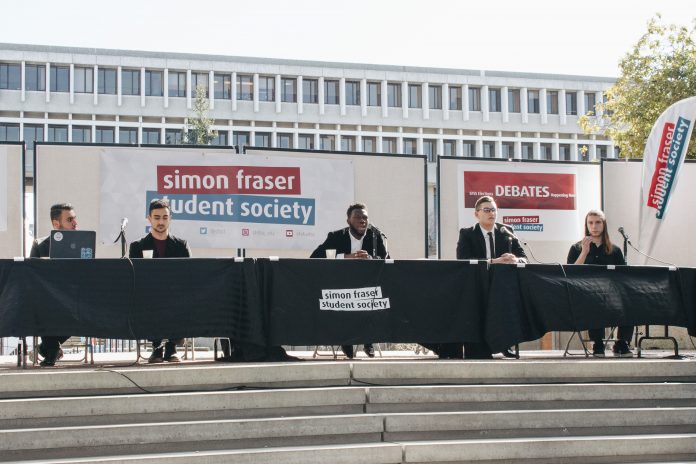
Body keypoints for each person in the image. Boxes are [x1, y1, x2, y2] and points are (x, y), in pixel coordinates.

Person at [310, 203, 389, 359]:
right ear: (348, 221)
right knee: (347, 301)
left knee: (373, 298)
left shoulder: (375, 237)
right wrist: (346, 257)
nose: (362, 220)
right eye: (357, 217)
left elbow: (386, 260)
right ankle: (346, 340)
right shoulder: (336, 236)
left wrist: (370, 258)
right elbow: (315, 257)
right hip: (341, 286)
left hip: (366, 286)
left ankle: (368, 340)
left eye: (365, 217)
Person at [455, 195, 527, 359]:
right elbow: (463, 261)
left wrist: (515, 260)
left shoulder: (507, 231)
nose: (491, 213)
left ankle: (505, 344)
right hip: (477, 285)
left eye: (494, 210)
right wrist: (494, 261)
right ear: (477, 214)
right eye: (487, 210)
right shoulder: (467, 234)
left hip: (502, 285)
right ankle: (480, 347)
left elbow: (524, 258)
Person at [129, 199, 191, 363]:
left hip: (175, 293)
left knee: (181, 301)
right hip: (149, 294)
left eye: (165, 217)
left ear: (170, 218)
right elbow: (134, 276)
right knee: (149, 301)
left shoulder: (181, 245)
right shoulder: (137, 246)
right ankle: (156, 347)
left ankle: (171, 347)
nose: (161, 222)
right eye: (157, 218)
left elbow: (189, 273)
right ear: (149, 218)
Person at [567, 209, 633, 357]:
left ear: (604, 225)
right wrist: (584, 252)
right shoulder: (576, 248)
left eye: (598, 222)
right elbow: (570, 273)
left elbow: (622, 276)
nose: (594, 226)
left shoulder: (614, 250)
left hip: (610, 294)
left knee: (629, 301)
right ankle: (597, 343)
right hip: (585, 293)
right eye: (590, 223)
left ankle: (622, 343)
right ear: (586, 225)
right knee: (595, 300)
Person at [29, 203, 78, 366]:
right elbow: (33, 272)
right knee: (41, 307)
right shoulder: (40, 245)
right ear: (56, 224)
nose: (75, 223)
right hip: (49, 298)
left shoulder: (83, 244)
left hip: (75, 297)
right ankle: (51, 350)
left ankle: (48, 348)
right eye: (69, 220)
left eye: (74, 218)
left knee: (85, 309)